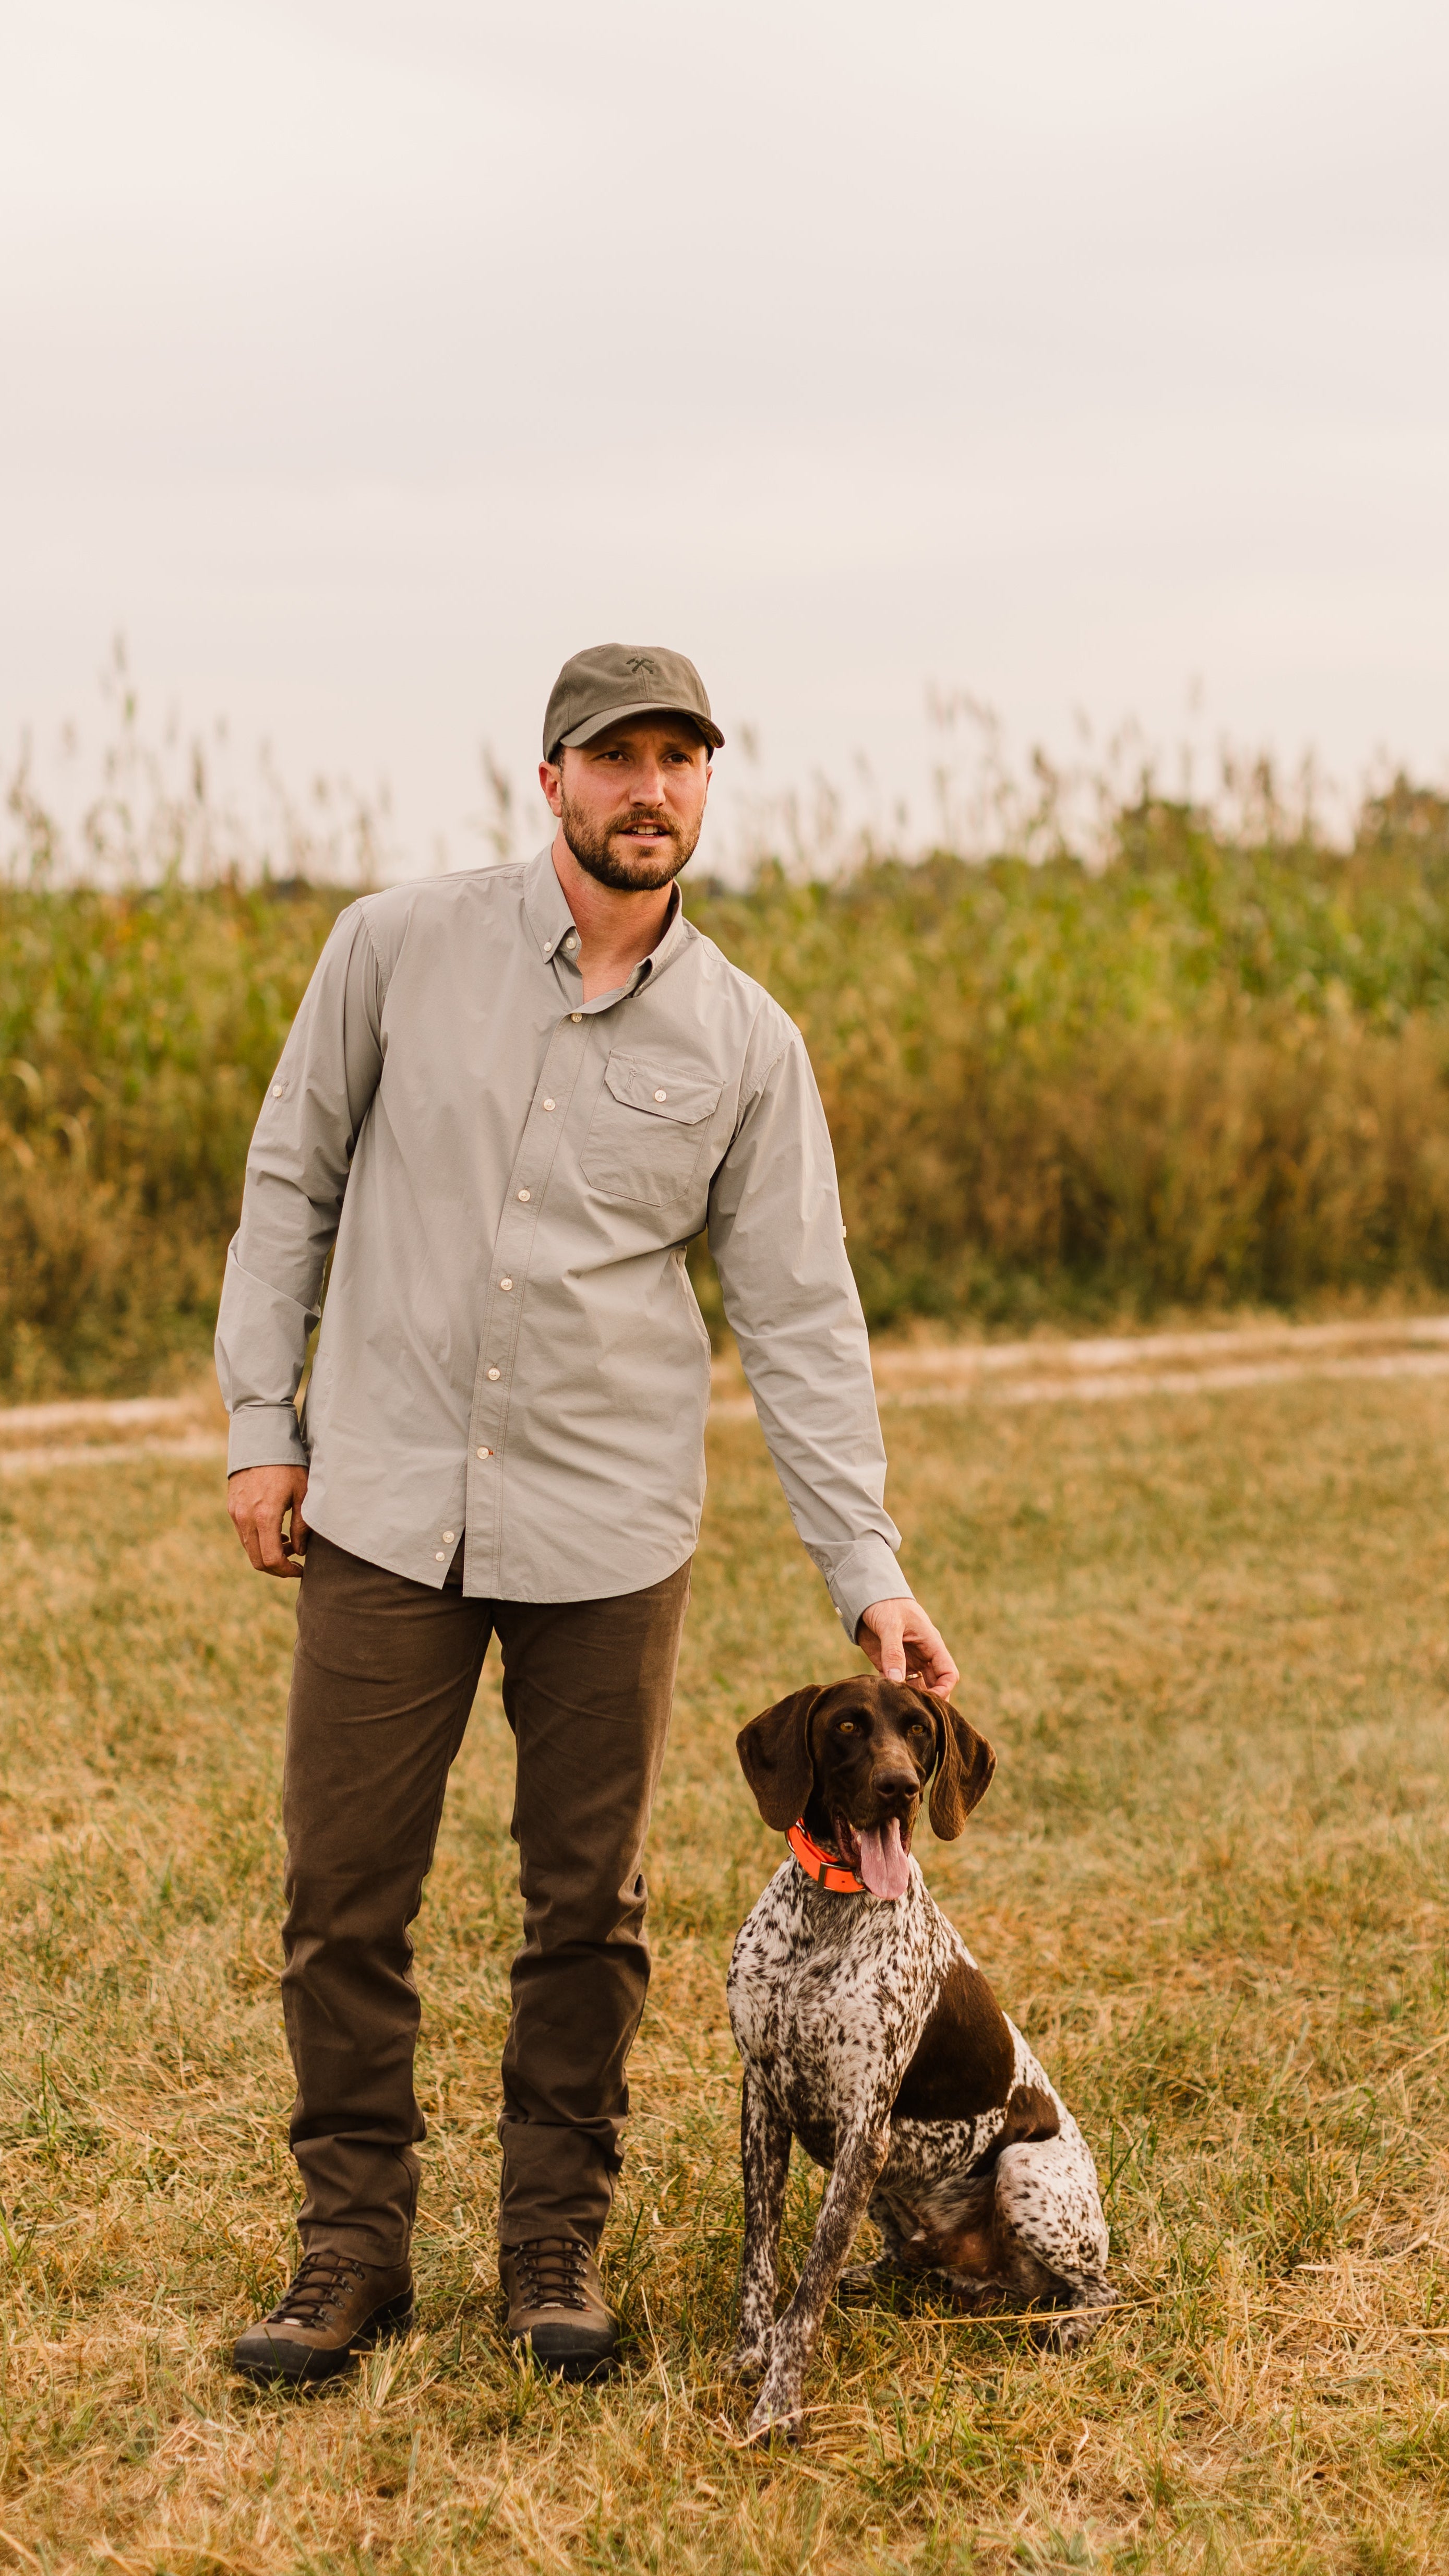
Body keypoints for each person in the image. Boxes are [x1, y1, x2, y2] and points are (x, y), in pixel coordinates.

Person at [217, 641, 959, 2386]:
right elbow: (290, 1178)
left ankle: (552, 2247)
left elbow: (797, 1314)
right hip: (390, 1502)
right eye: (613, 758)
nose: (648, 789)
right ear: (548, 778)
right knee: (342, 1893)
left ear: (705, 785)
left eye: (678, 759)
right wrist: (266, 1425)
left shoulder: (743, 1041)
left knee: (587, 1908)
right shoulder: (392, 948)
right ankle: (351, 2250)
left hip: (608, 1530)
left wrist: (867, 1570)